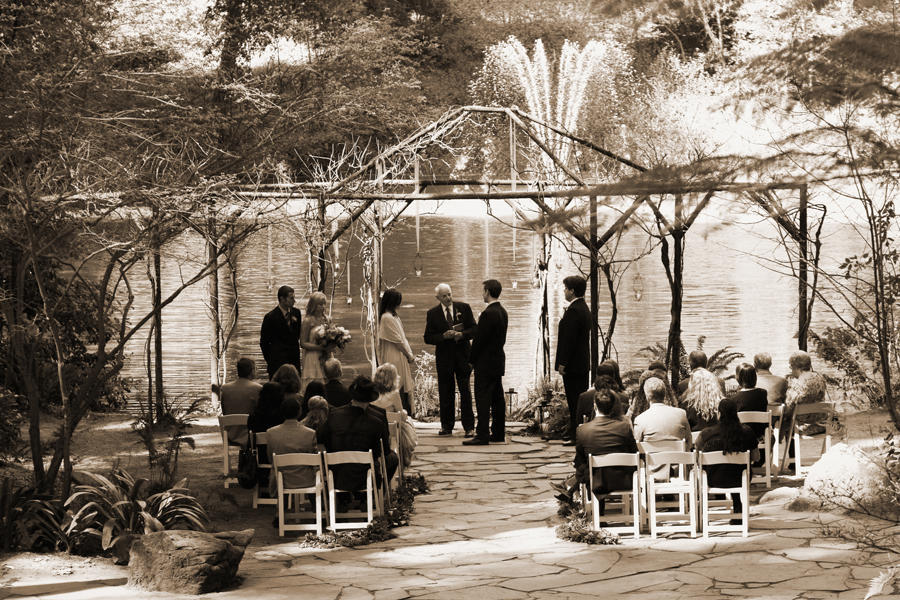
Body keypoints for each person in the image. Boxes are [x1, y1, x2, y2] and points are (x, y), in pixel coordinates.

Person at [553, 389, 636, 506]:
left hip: (597, 483)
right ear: (613, 406)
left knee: (584, 467)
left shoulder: (583, 430)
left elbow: (580, 460)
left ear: (595, 406)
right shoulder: (625, 427)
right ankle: (571, 487)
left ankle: (574, 491)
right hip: (625, 480)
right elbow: (634, 453)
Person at [320, 376, 399, 492]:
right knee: (392, 458)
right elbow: (383, 451)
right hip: (365, 474)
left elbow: (321, 439)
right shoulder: (376, 421)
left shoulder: (334, 415)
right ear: (370, 399)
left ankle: (344, 498)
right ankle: (378, 494)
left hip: (338, 474)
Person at [424, 283, 477, 437]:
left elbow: (474, 329)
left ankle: (469, 427)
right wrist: (442, 337)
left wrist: (462, 335)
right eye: (444, 296)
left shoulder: (464, 308)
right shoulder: (432, 313)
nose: (448, 298)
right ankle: (446, 426)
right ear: (438, 298)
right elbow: (428, 337)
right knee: (445, 393)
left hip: (463, 357)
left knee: (465, 392)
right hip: (444, 359)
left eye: (449, 294)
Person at [696, 398, 759, 520]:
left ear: (719, 414)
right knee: (736, 470)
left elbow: (698, 459)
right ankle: (737, 505)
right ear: (736, 414)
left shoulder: (706, 434)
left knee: (724, 469)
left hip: (712, 479)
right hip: (740, 479)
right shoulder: (747, 432)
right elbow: (756, 457)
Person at [464, 279, 509, 446]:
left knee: (482, 397)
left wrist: (471, 360)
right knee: (497, 398)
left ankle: (482, 433)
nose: (482, 294)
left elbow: (479, 340)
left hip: (485, 362)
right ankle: (498, 432)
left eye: (483, 291)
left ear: (488, 292)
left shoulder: (488, 314)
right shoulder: (502, 311)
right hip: (497, 360)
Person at [555, 275, 592, 446]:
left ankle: (576, 435)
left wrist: (563, 362)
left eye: (565, 288)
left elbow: (569, 340)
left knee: (574, 401)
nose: (564, 291)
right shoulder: (583, 308)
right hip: (582, 362)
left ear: (572, 290)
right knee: (579, 399)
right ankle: (577, 432)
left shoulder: (574, 311)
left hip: (574, 364)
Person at [633, 377, 692, 481]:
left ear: (647, 397)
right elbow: (689, 442)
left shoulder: (640, 420)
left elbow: (636, 448)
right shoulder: (681, 414)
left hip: (652, 473)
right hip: (678, 471)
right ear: (664, 394)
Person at [265, 397, 317, 497]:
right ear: (299, 412)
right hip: (306, 479)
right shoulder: (310, 433)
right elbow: (313, 460)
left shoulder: (271, 433)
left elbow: (271, 459)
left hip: (280, 479)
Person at [372, 363, 418, 469]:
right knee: (406, 422)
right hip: (391, 431)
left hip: (375, 428)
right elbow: (400, 415)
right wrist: (405, 414)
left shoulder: (372, 394)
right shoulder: (394, 395)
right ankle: (404, 458)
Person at [378, 288, 416, 416]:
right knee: (396, 380)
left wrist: (408, 353)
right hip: (393, 354)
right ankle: (398, 411)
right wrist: (408, 354)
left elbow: (402, 338)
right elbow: (397, 340)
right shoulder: (386, 318)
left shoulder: (394, 317)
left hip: (399, 354)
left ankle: (404, 411)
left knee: (402, 381)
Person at [782, 350, 828, 438]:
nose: (791, 370)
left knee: (782, 421)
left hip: (801, 428)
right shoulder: (820, 378)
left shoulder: (796, 383)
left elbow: (788, 407)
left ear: (797, 367)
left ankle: (791, 452)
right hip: (822, 426)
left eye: (791, 367)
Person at [259, 285, 302, 379]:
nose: (294, 301)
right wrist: (271, 360)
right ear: (282, 299)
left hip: (294, 361)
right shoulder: (270, 317)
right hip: (277, 363)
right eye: (291, 298)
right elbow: (264, 343)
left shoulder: (297, 313)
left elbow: (297, 336)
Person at [249, 381, 285, 490]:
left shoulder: (255, 415)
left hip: (262, 459)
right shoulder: (282, 415)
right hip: (282, 457)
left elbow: (250, 432)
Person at [219, 357, 262, 446]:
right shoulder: (258, 388)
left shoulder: (225, 388)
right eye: (255, 368)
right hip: (251, 434)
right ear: (251, 370)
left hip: (230, 434)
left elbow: (224, 411)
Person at [574, 362, 626, 428]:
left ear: (597, 376)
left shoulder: (584, 397)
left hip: (590, 434)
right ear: (614, 376)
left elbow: (579, 422)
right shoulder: (624, 398)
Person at [681, 356, 725, 431]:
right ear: (706, 363)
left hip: (694, 434)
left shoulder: (683, 386)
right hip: (717, 433)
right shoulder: (720, 383)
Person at [300, 291, 329, 394]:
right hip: (312, 356)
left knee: (327, 382)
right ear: (313, 306)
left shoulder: (326, 319)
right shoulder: (308, 321)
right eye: (320, 304)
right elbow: (303, 343)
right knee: (312, 383)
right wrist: (319, 347)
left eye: (324, 304)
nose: (323, 307)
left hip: (326, 354)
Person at [731, 363, 768, 439]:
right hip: (760, 435)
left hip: (743, 438)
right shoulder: (763, 393)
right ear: (755, 377)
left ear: (738, 378)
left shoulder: (734, 399)